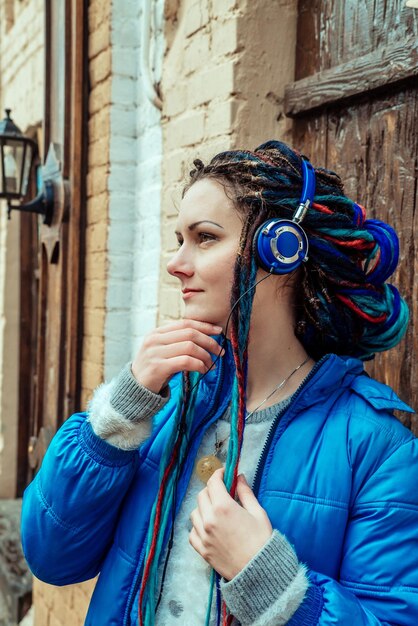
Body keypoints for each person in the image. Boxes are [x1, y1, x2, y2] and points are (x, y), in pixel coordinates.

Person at [21, 141, 418, 626]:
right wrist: (117, 413)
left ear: (281, 250)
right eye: (178, 238)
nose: (176, 263)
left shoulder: (376, 449)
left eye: (204, 237)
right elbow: (50, 556)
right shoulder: (162, 408)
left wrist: (269, 581)